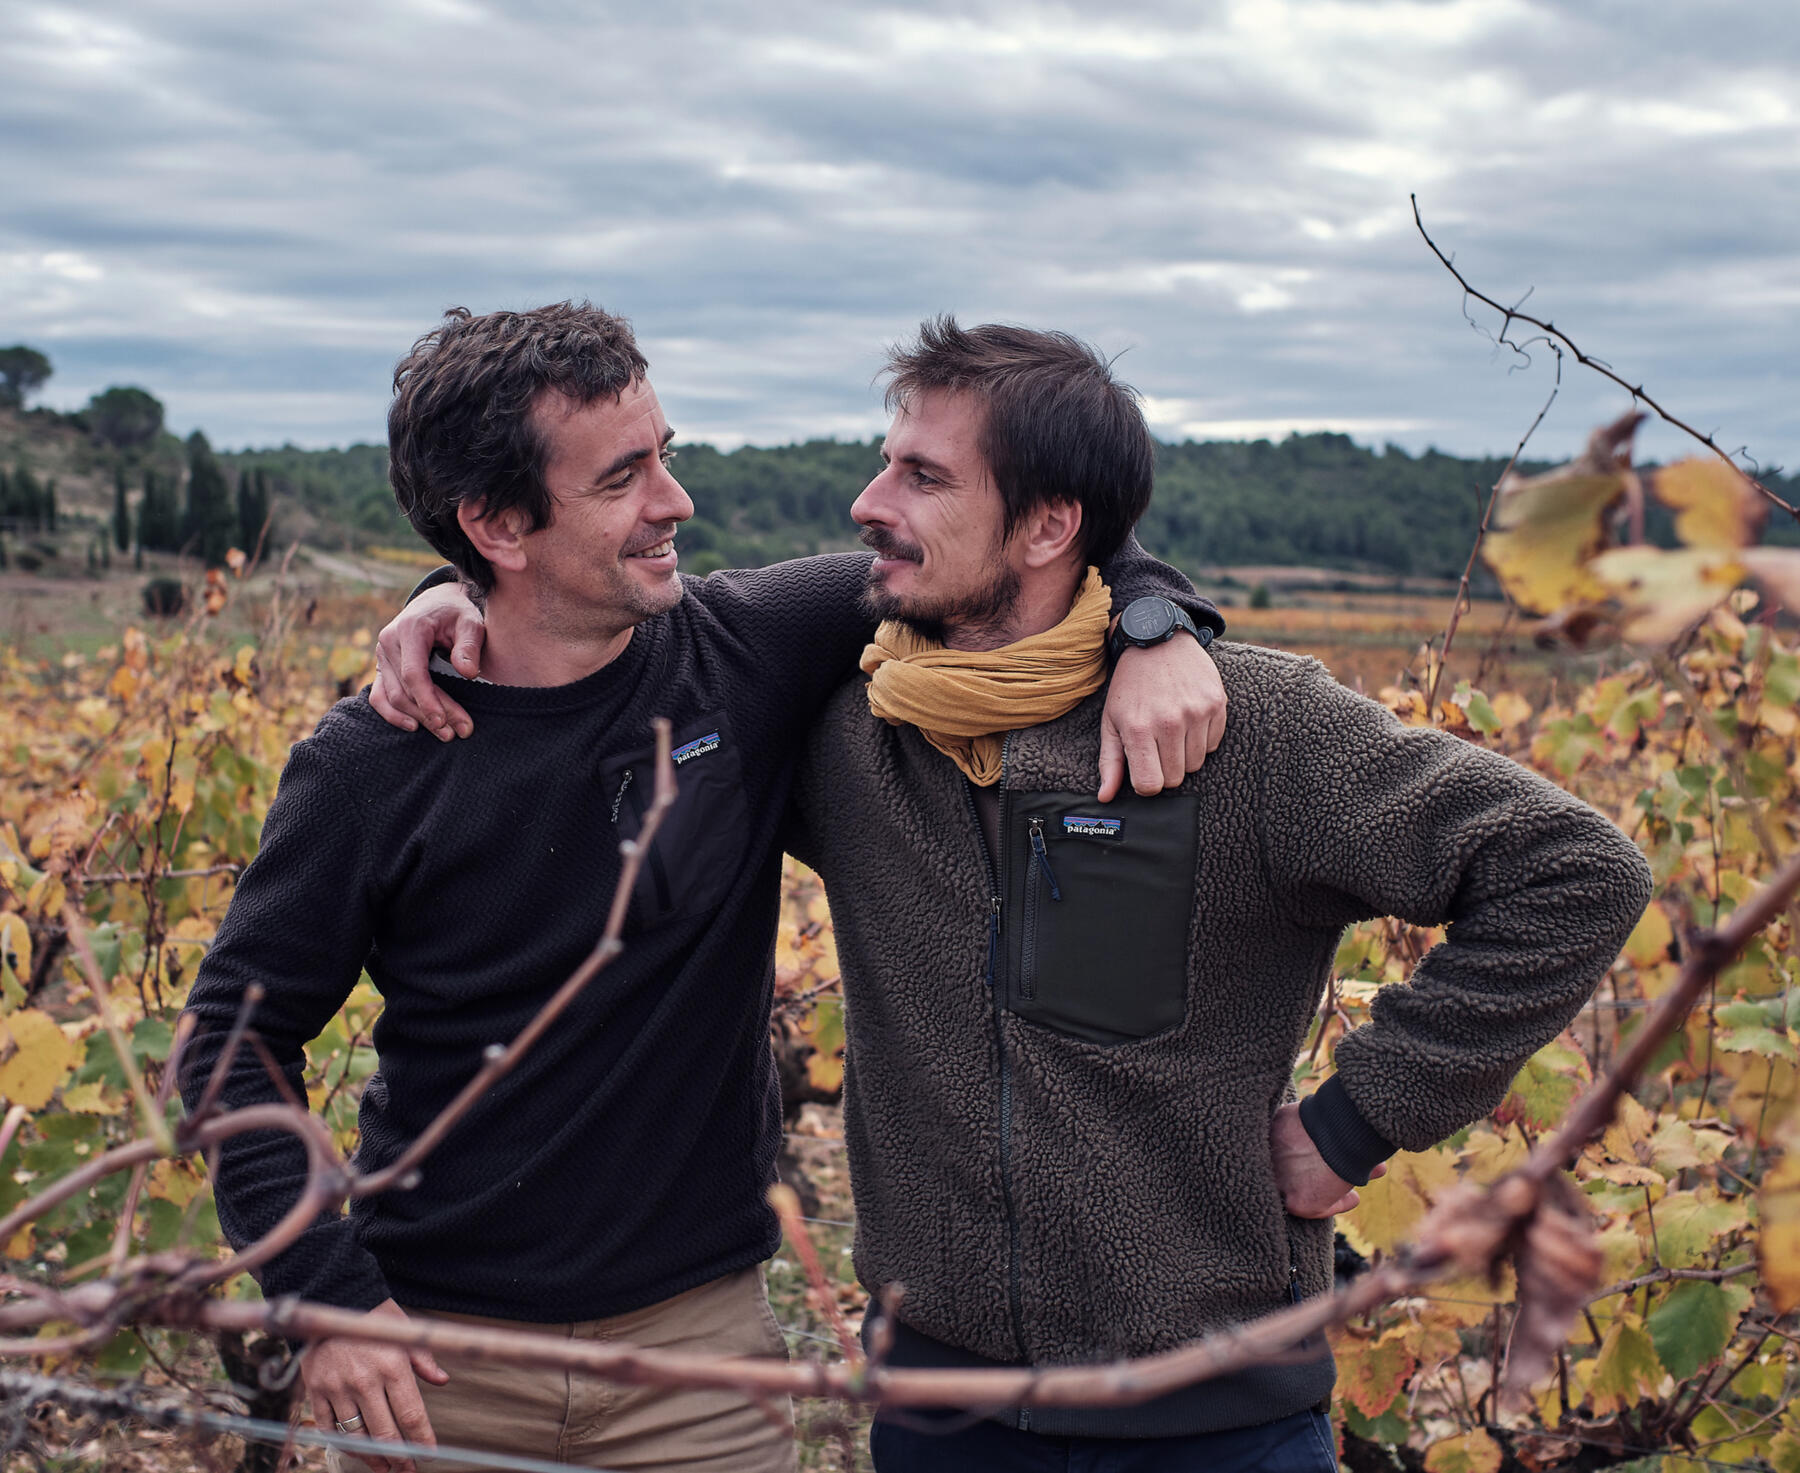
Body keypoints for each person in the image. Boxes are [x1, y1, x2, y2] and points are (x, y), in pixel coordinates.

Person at [181, 301, 1229, 1473]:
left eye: (664, 454)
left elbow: (1014, 544)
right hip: (438, 1367)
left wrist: (1154, 620)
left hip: (703, 1365)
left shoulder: (744, 652)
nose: (674, 500)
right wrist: (321, 1295)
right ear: (496, 524)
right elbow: (231, 1040)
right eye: (623, 476)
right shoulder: (373, 763)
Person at [772, 318, 1655, 1469]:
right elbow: (664, 663)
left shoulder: (1254, 731)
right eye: (885, 461)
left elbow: (1576, 869)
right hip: (942, 1409)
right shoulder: (853, 734)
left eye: (923, 476)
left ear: (1048, 526)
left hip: (1217, 1416)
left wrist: (1356, 1123)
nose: (868, 501)